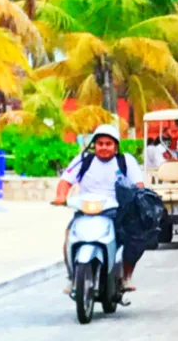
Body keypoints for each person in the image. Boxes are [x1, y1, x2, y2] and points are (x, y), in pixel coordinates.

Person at [53, 124, 146, 291]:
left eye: (108, 144)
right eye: (100, 143)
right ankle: (72, 276)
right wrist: (61, 196)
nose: (104, 147)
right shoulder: (83, 160)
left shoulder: (126, 161)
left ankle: (126, 276)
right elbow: (65, 181)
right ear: (94, 145)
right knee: (69, 235)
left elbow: (138, 185)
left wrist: (137, 200)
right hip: (85, 210)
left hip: (117, 211)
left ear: (116, 146)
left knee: (135, 239)